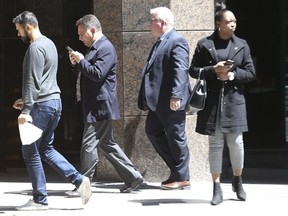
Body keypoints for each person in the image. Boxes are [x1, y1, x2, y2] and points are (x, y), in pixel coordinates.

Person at [12, 11, 92, 211]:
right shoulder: (49, 44)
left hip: (41, 106)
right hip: (53, 103)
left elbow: (32, 79)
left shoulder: (35, 48)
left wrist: (27, 109)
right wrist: (28, 101)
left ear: (28, 26)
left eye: (19, 30)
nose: (18, 34)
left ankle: (40, 200)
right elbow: (44, 79)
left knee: (30, 152)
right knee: (46, 148)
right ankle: (79, 180)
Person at [67, 14, 144, 194]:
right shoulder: (95, 47)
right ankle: (133, 177)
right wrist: (77, 63)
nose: (79, 38)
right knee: (107, 144)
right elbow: (88, 72)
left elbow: (97, 73)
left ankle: (83, 183)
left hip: (100, 106)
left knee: (88, 144)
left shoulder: (105, 48)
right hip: (95, 104)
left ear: (92, 30)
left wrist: (81, 61)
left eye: (81, 34)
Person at [189, 2, 256, 205]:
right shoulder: (204, 44)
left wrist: (232, 75)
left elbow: (251, 73)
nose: (233, 24)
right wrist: (213, 70)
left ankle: (237, 180)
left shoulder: (242, 45)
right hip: (212, 104)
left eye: (234, 21)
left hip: (234, 102)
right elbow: (193, 70)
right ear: (219, 23)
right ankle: (216, 187)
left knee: (236, 144)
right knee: (215, 145)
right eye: (229, 21)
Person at [138, 7, 191, 190]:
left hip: (170, 101)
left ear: (162, 22)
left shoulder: (177, 41)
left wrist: (176, 96)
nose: (150, 24)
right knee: (152, 131)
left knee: (177, 136)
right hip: (158, 102)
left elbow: (181, 71)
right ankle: (177, 170)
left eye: (152, 20)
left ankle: (183, 176)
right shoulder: (162, 41)